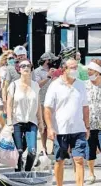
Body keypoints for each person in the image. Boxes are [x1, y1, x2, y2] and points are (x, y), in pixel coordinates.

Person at [44, 58, 90, 186]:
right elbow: (47, 108)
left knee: (79, 159)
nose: (76, 70)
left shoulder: (81, 84)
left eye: (76, 67)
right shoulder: (55, 85)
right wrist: (50, 127)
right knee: (60, 160)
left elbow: (85, 107)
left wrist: (87, 126)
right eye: (73, 68)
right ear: (64, 69)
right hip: (61, 130)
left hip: (79, 129)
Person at [6, 59, 43, 172]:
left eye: (28, 66)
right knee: (19, 151)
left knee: (32, 152)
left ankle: (27, 171)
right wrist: (9, 121)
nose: (26, 68)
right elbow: (9, 104)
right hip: (17, 121)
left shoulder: (35, 85)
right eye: (23, 66)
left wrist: (40, 121)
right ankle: (18, 173)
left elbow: (38, 104)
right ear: (19, 69)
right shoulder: (14, 85)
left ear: (31, 68)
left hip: (32, 122)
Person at [34, 52, 59, 155]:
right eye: (52, 60)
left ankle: (55, 147)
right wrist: (48, 77)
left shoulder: (56, 70)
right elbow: (37, 85)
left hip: (56, 102)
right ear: (47, 61)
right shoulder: (37, 71)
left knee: (55, 124)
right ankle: (44, 148)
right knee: (43, 126)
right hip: (42, 101)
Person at [85, 59, 101, 184]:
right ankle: (91, 174)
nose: (89, 72)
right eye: (88, 70)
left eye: (91, 70)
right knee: (90, 151)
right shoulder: (84, 85)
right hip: (89, 125)